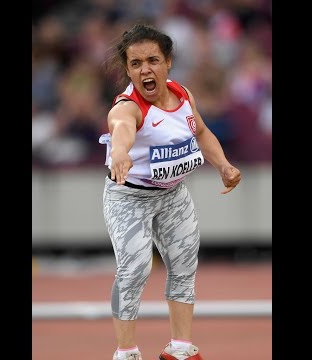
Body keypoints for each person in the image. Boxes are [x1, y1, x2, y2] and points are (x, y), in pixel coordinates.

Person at [99, 23, 241, 360]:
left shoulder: (182, 95)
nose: (145, 69)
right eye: (135, 64)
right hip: (129, 198)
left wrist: (223, 165)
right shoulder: (128, 108)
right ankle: (126, 352)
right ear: (128, 70)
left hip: (173, 195)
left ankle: (180, 348)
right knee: (134, 269)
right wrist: (119, 153)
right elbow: (120, 130)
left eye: (152, 60)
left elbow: (202, 132)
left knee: (184, 264)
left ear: (168, 63)